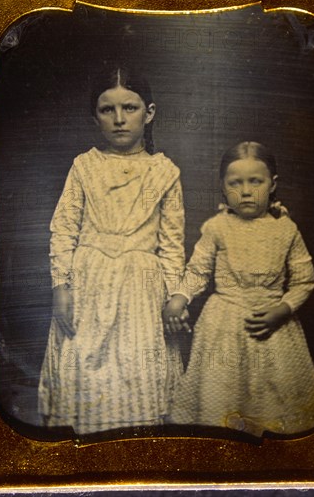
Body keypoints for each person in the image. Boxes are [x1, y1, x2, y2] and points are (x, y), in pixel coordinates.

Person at [38, 65, 189, 435]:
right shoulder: (84, 167)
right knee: (85, 374)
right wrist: (61, 287)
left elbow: (172, 246)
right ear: (96, 117)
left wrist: (174, 298)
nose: (120, 119)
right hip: (89, 286)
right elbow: (63, 230)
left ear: (148, 113)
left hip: (140, 293)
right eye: (108, 110)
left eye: (130, 108)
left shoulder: (164, 172)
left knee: (137, 377)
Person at [164, 141, 314, 436]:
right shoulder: (217, 227)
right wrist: (179, 297)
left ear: (272, 184)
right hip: (223, 328)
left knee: (274, 403)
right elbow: (198, 271)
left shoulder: (286, 229)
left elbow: (304, 280)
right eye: (235, 183)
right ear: (222, 187)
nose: (245, 191)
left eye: (255, 181)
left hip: (274, 328)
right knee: (222, 396)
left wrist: (282, 310)